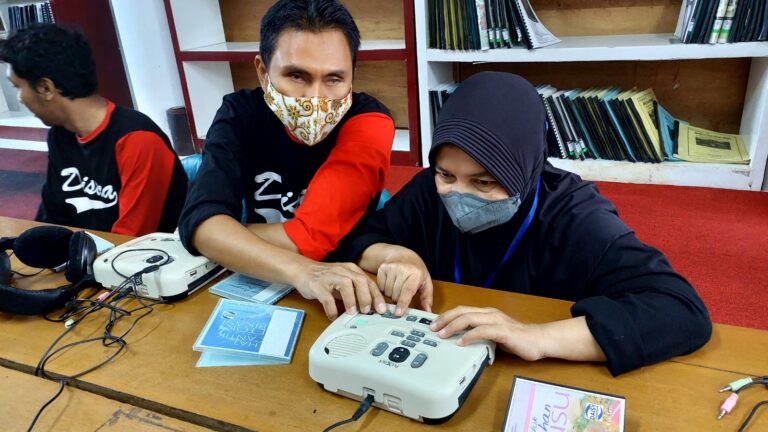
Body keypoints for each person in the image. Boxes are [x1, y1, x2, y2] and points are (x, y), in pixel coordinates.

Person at [342, 71, 712, 375]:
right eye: (446, 175)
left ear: (524, 168)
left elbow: (681, 311)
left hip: (528, 371)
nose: (458, 194)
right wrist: (396, 254)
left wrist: (537, 337)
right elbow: (360, 237)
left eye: (484, 182)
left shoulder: (576, 217)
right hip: (442, 357)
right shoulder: (429, 188)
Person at [178, 0, 395, 320]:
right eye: (297, 75)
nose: (315, 98)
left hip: (345, 293)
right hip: (261, 287)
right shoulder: (240, 113)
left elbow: (309, 240)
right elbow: (201, 224)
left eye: (334, 79)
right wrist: (302, 271)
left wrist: (226, 237)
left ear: (352, 77)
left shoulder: (369, 121)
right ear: (263, 72)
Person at [0, 24, 188, 236]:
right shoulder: (61, 135)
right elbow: (51, 218)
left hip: (133, 260)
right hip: (84, 258)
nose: (19, 98)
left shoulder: (137, 139)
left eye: (18, 87)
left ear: (46, 88)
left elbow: (129, 240)